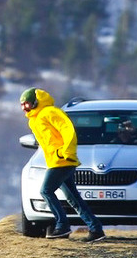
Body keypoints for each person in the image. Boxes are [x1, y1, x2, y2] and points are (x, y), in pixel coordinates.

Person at [20, 87, 105, 242]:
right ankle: (96, 229)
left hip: (63, 160)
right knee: (73, 198)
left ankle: (62, 225)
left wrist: (66, 151)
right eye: (22, 105)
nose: (25, 108)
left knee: (46, 191)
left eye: (28, 104)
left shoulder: (49, 112)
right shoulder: (35, 120)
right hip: (55, 161)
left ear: (36, 102)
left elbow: (68, 130)